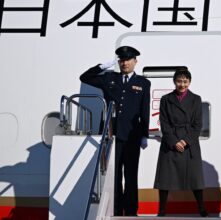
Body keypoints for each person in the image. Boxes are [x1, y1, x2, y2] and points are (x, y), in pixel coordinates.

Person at [80, 46, 151, 216]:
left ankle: (132, 211)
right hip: (113, 135)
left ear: (135, 61)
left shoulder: (143, 83)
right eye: (121, 60)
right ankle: (118, 210)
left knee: (131, 175)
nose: (124, 63)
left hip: (133, 136)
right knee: (115, 175)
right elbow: (85, 77)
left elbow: (144, 110)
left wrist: (144, 135)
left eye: (128, 60)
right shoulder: (109, 78)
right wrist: (102, 66)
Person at [154, 68, 208, 217]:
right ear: (174, 82)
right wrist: (173, 141)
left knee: (195, 178)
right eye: (179, 81)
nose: (182, 84)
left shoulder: (196, 99)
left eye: (185, 81)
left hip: (189, 144)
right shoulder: (166, 99)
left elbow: (198, 125)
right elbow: (164, 123)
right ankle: (162, 209)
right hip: (170, 143)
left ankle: (202, 208)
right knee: (164, 178)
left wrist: (185, 141)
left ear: (189, 82)